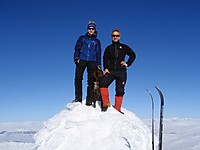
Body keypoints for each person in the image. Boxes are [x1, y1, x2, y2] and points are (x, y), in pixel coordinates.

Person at [100, 28, 136, 113]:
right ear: (111, 37)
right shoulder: (109, 48)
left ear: (119, 37)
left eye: (117, 35)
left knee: (120, 90)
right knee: (103, 83)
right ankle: (106, 104)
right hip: (111, 71)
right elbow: (105, 58)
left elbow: (133, 54)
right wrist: (105, 68)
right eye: (113, 35)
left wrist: (128, 63)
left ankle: (117, 108)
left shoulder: (124, 47)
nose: (115, 37)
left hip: (121, 72)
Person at [73, 21, 102, 106]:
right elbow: (77, 48)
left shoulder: (96, 41)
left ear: (95, 29)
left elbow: (98, 53)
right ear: (87, 28)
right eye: (89, 28)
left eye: (92, 29)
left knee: (91, 81)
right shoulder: (82, 38)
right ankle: (78, 98)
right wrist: (76, 58)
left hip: (92, 62)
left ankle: (89, 99)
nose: (91, 30)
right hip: (82, 60)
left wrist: (99, 64)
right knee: (78, 78)